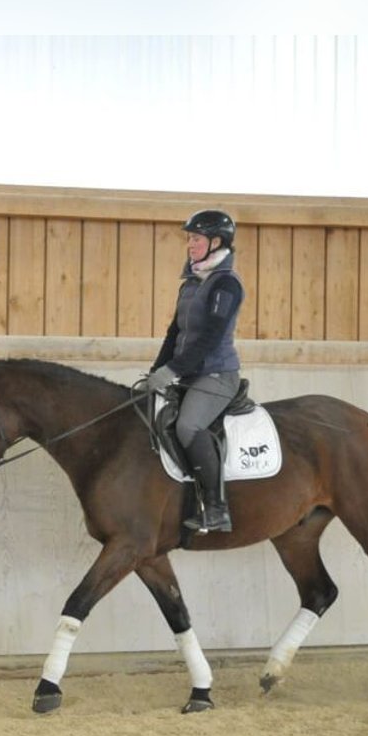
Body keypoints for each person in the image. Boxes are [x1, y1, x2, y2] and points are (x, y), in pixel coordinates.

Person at [146, 208, 245, 533]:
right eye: (189, 238)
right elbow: (175, 332)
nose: (190, 244)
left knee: (188, 426)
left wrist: (173, 370)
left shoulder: (226, 285)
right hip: (187, 373)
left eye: (196, 238)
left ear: (217, 242)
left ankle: (217, 509)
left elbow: (209, 338)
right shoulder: (190, 283)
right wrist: (156, 371)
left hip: (216, 375)